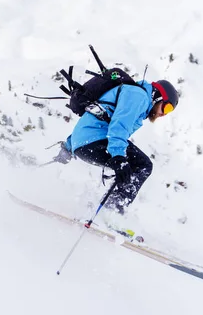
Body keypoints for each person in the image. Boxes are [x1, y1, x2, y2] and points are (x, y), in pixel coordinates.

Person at [53, 79, 179, 214]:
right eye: (167, 107)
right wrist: (119, 157)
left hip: (82, 143)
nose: (164, 114)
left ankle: (105, 207)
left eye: (169, 111)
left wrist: (68, 147)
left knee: (128, 168)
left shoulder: (133, 94)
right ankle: (112, 211)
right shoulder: (139, 96)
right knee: (142, 165)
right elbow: (119, 127)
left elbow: (94, 119)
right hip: (94, 141)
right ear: (158, 97)